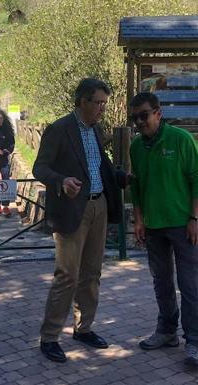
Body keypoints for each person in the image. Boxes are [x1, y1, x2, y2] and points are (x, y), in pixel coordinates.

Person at [33, 78, 127, 363]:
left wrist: (120, 178)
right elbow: (40, 167)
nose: (102, 109)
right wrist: (61, 180)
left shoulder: (96, 130)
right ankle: (49, 338)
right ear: (82, 101)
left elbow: (100, 166)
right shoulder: (59, 129)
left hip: (98, 206)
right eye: (98, 103)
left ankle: (83, 328)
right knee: (67, 276)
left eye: (104, 104)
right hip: (72, 210)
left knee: (92, 274)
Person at [128, 92, 198, 367]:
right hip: (154, 227)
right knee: (161, 283)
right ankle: (166, 332)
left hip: (184, 225)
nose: (139, 122)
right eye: (135, 117)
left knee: (189, 285)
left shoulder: (180, 139)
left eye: (144, 115)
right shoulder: (136, 147)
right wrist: (139, 220)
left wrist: (195, 218)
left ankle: (195, 343)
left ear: (158, 113)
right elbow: (137, 187)